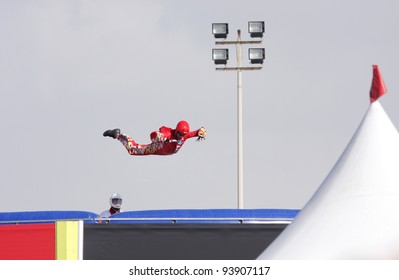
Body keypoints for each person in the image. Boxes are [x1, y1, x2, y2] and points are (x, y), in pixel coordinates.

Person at [103, 120, 206, 156]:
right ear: (176, 130)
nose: (181, 137)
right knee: (132, 150)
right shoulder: (168, 133)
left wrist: (201, 132)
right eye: (179, 134)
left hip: (166, 151)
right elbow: (152, 135)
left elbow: (196, 132)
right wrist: (161, 137)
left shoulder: (184, 136)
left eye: (183, 135)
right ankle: (117, 134)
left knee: (133, 151)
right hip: (158, 147)